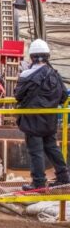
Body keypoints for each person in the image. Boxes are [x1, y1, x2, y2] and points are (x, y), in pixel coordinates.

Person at [15, 39, 69, 190]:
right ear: (47, 56)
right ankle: (64, 177)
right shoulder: (55, 74)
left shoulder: (27, 74)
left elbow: (18, 95)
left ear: (32, 57)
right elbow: (64, 96)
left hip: (32, 121)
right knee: (52, 147)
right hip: (50, 119)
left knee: (35, 151)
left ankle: (38, 182)